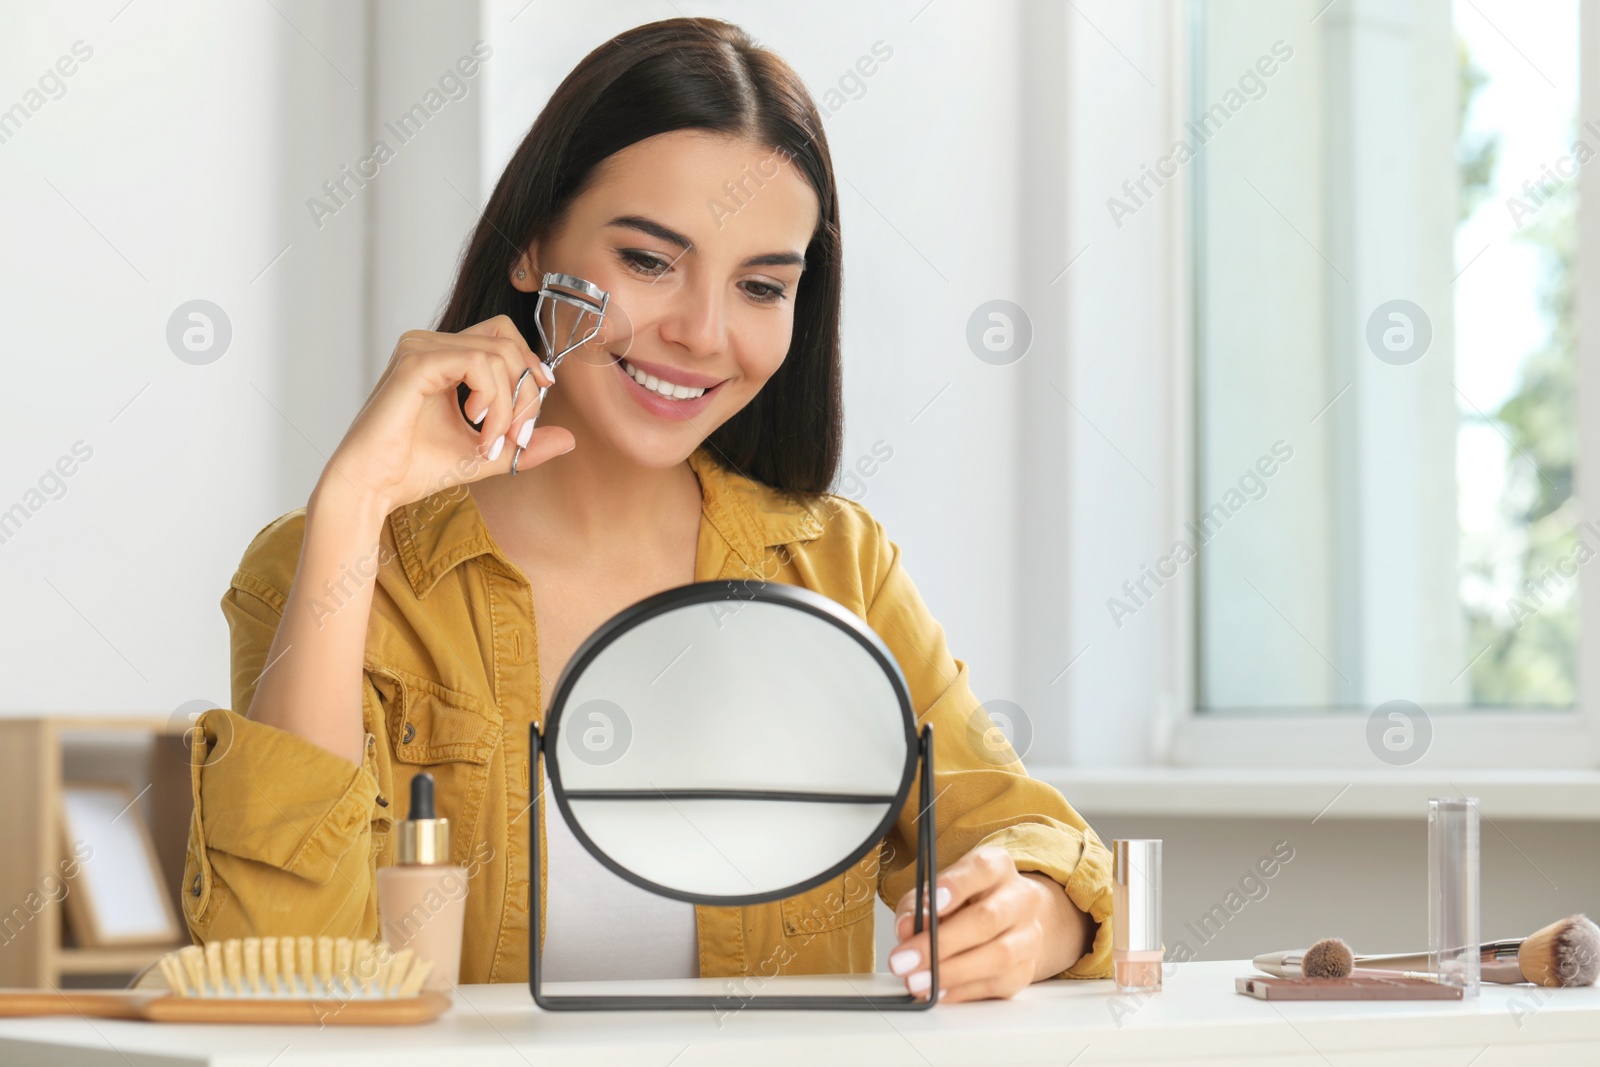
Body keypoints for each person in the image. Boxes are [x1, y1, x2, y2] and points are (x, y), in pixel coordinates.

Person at [183, 16, 1113, 1003]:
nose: (701, 333)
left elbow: (1027, 836)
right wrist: (353, 500)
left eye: (761, 285)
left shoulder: (835, 565)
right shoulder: (331, 562)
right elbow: (283, 971)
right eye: (648, 261)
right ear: (534, 244)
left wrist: (1036, 915)